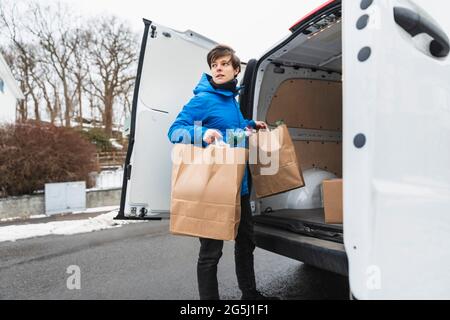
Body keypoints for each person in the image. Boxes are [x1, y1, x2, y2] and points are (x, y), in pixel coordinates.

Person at [167, 45, 279, 300]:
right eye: (214, 64)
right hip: (215, 188)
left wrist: (250, 125)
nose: (218, 68)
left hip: (240, 186)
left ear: (236, 70)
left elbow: (233, 129)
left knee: (245, 243)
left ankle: (250, 294)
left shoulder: (231, 100)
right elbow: (175, 131)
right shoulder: (202, 99)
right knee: (210, 253)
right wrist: (201, 134)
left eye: (225, 64)